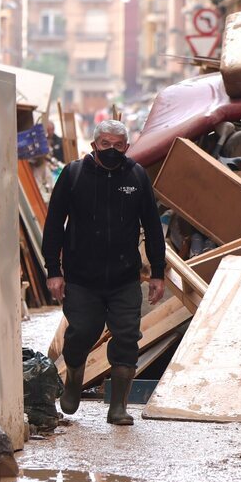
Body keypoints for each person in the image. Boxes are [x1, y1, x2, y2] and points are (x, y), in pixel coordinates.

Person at [41, 119, 166, 426]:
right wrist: (53, 271)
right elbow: (54, 224)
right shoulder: (73, 175)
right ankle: (73, 378)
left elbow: (152, 226)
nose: (112, 150)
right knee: (81, 332)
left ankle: (119, 407)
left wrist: (158, 272)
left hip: (124, 278)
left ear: (127, 146)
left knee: (127, 337)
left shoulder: (136, 176)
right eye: (106, 144)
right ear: (94, 145)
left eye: (119, 145)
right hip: (82, 278)